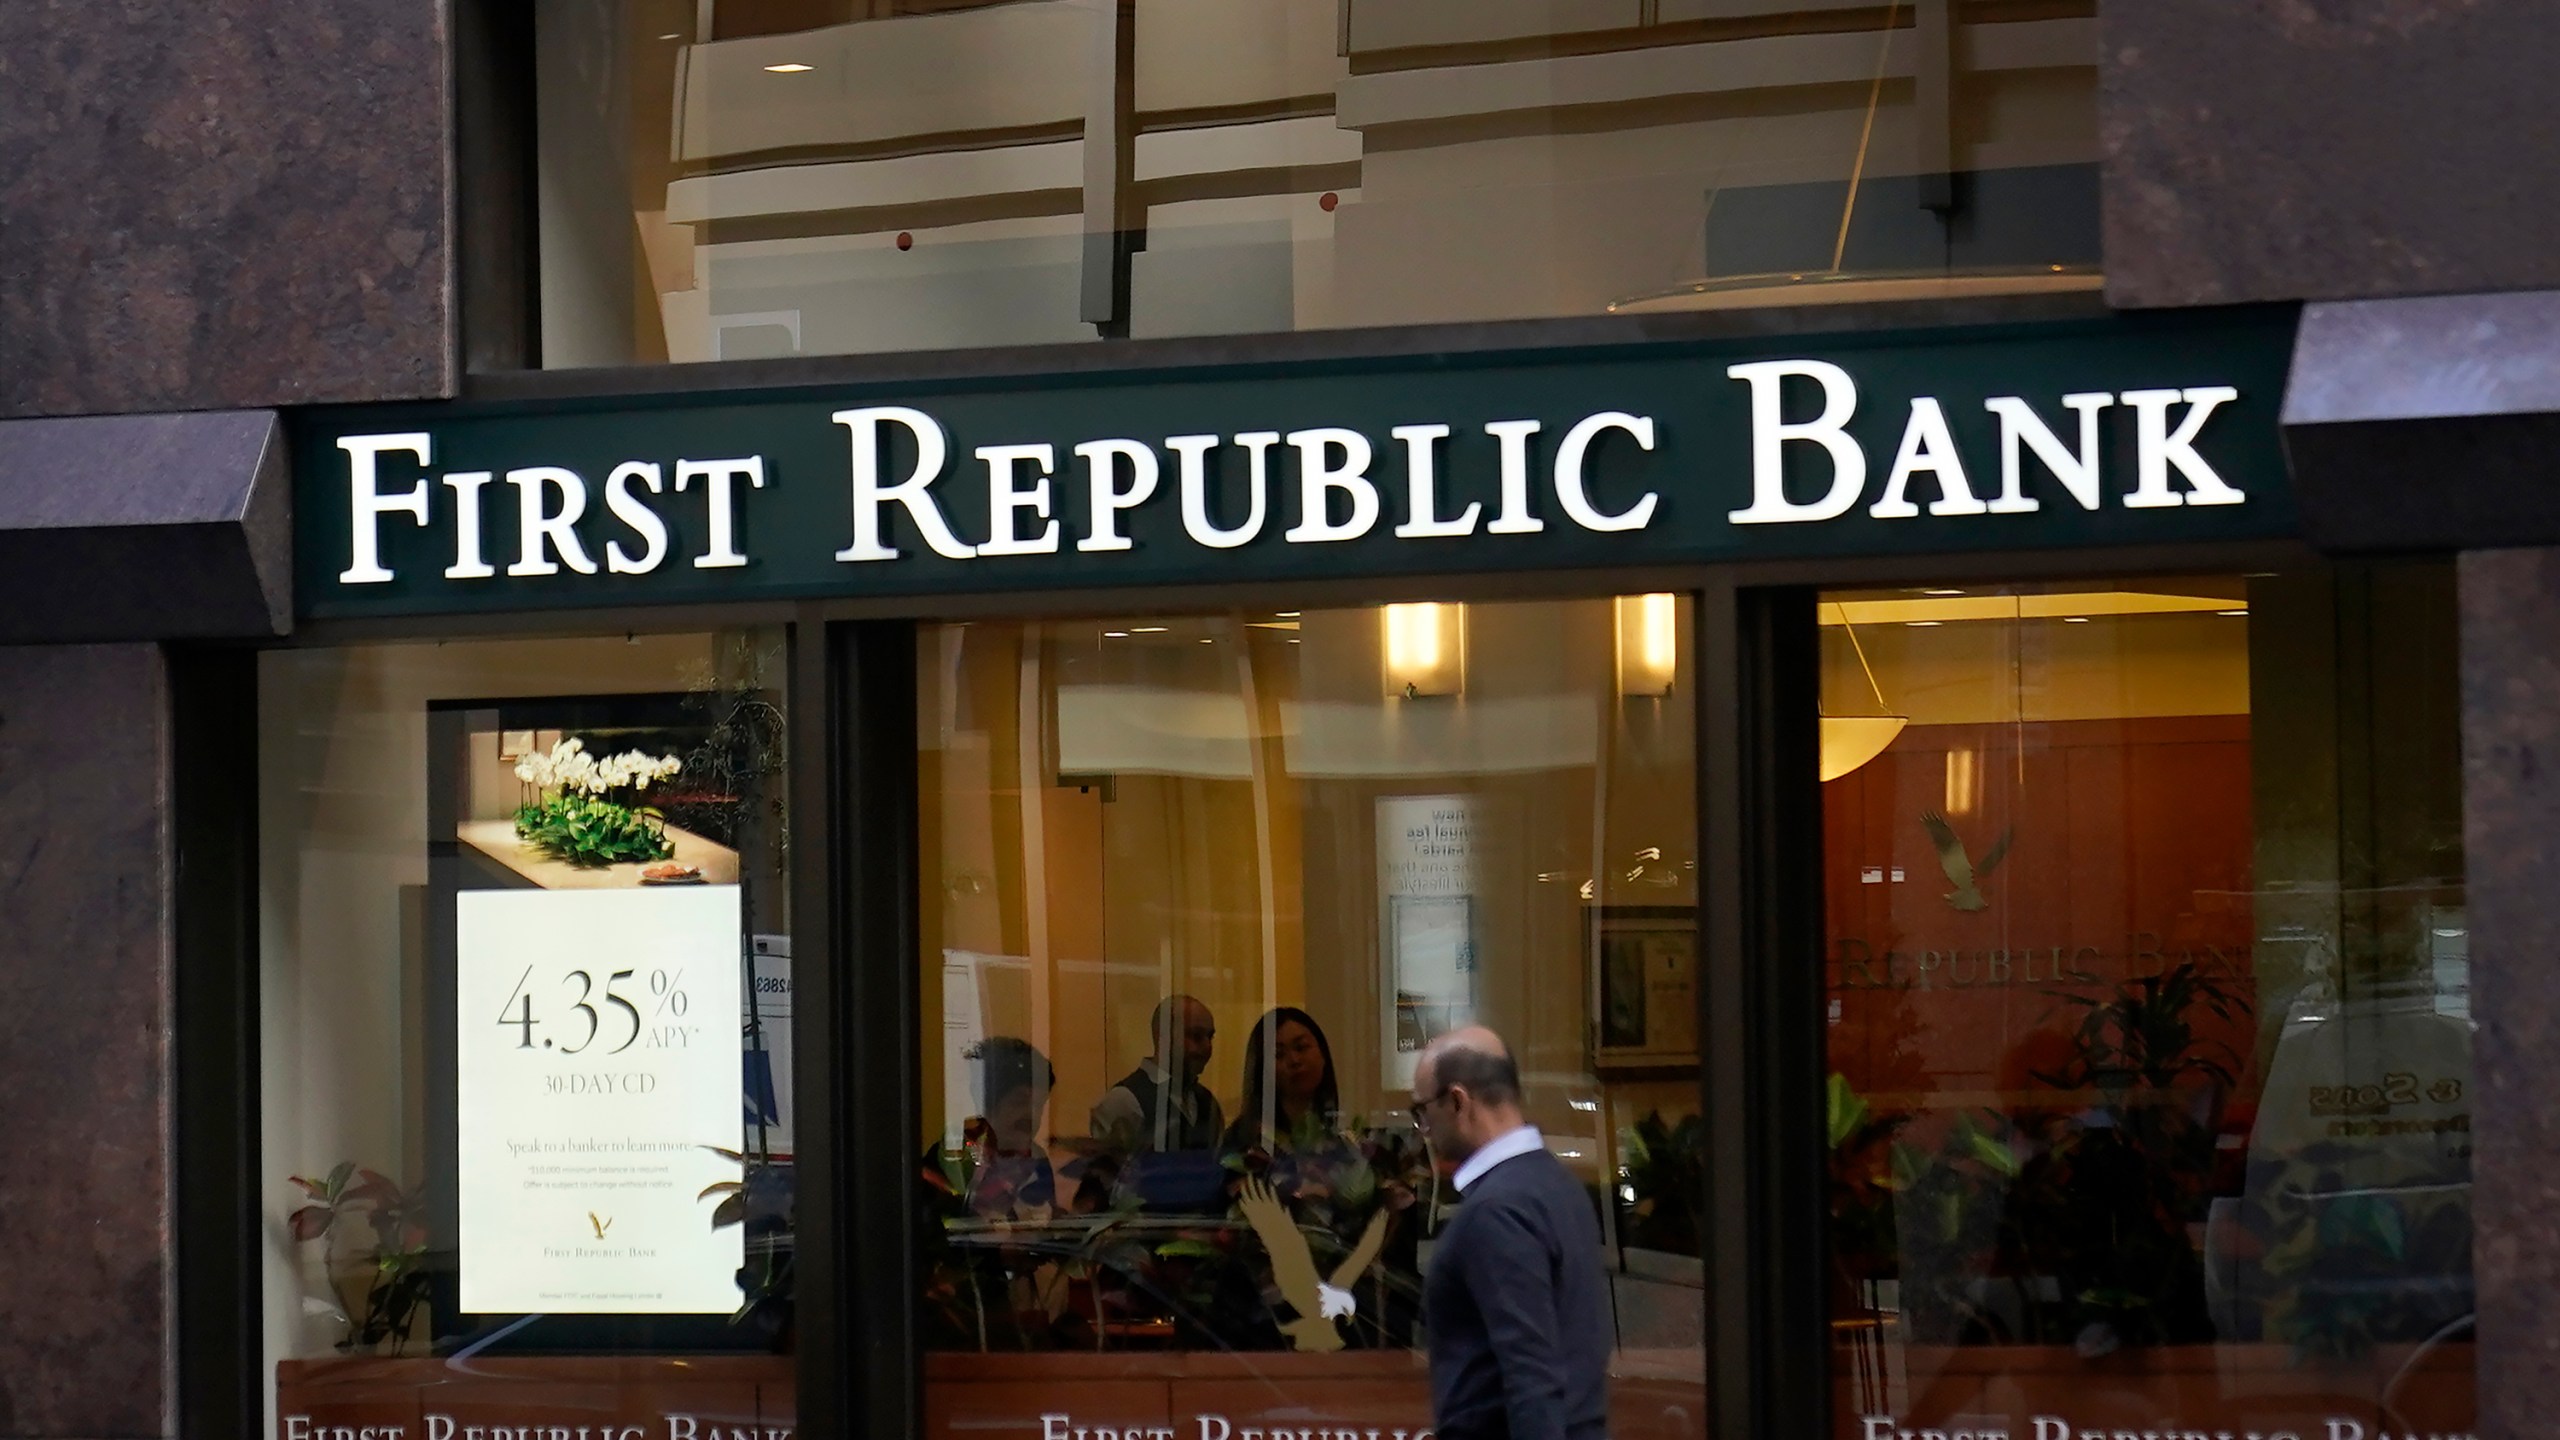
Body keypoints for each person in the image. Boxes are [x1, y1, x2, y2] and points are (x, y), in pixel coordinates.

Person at [1411, 1026, 1610, 1440]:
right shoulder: (1561, 1187)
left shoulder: (1495, 1211)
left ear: (1457, 1101)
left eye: (1422, 1112)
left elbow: (1531, 1374)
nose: (1423, 1130)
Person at [1091, 994, 1224, 1151]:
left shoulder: (1207, 1102)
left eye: (1210, 1036)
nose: (1207, 1046)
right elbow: (1108, 1172)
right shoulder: (1124, 1101)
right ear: (1163, 1036)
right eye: (1195, 1035)